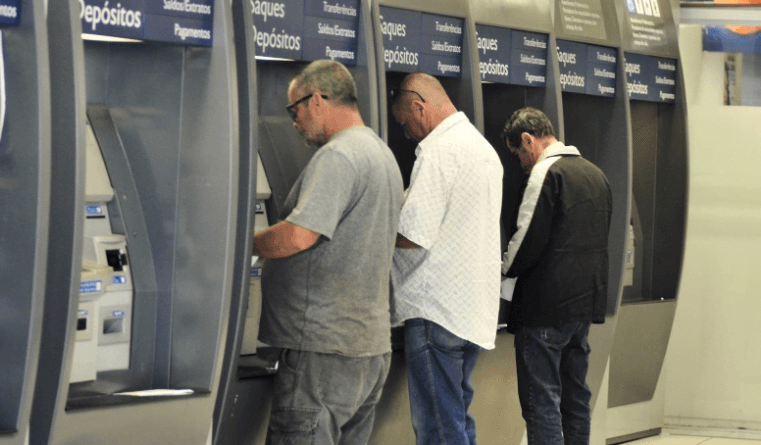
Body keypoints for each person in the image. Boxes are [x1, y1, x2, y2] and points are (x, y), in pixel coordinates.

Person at [253, 60, 403, 445]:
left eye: (295, 111)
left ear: (317, 100)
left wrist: (243, 245)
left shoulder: (339, 155)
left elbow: (300, 235)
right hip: (367, 348)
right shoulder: (381, 154)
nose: (294, 123)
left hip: (323, 351)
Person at [389, 73, 503, 445]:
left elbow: (413, 234)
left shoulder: (438, 152)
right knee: (456, 419)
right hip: (470, 311)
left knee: (438, 428)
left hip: (436, 311)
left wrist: (373, 232)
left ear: (418, 106)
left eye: (404, 122)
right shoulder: (482, 149)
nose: (406, 133)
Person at [501, 107, 612, 445]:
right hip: (583, 306)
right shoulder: (595, 173)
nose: (521, 162)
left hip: (546, 308)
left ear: (527, 140)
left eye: (518, 153)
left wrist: (501, 269)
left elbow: (526, 239)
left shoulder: (545, 173)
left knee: (541, 401)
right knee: (575, 396)